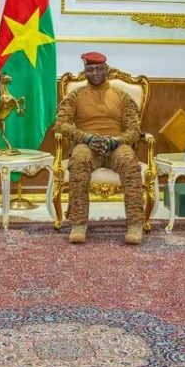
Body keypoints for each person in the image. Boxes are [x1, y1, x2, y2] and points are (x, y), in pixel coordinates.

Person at [55, 52, 146, 245]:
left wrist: (115, 141)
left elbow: (134, 129)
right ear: (85, 71)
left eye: (98, 69)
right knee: (78, 159)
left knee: (130, 161)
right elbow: (61, 124)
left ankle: (135, 225)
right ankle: (78, 224)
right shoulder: (75, 96)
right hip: (87, 146)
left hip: (116, 146)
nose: (94, 73)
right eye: (90, 70)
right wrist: (85, 137)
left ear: (106, 69)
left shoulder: (122, 96)